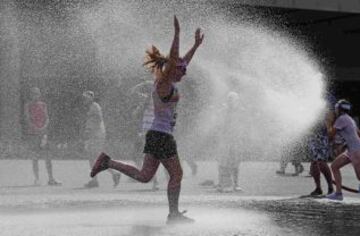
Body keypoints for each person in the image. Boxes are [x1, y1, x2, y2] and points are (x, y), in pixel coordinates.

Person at [90, 16, 204, 224]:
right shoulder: (164, 83)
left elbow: (182, 61)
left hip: (156, 134)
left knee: (144, 176)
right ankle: (173, 215)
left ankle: (107, 161)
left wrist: (195, 46)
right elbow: (176, 59)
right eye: (182, 70)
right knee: (176, 175)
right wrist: (177, 35)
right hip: (161, 136)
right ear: (171, 68)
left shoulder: (168, 81)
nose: (185, 72)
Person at [82, 90, 121, 188]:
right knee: (93, 157)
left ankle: (113, 174)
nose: (84, 100)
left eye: (86, 98)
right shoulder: (92, 107)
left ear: (91, 97)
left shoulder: (95, 106)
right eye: (84, 98)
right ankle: (98, 179)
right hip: (95, 135)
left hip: (96, 135)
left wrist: (91, 131)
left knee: (95, 157)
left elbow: (98, 119)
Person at [24, 87, 61, 186]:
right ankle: (37, 179)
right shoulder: (28, 105)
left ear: (39, 94)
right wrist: (36, 128)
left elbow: (47, 117)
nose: (35, 95)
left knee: (48, 156)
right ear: (30, 95)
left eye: (37, 93)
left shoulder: (43, 105)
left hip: (43, 133)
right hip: (33, 133)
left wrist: (43, 128)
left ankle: (51, 178)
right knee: (35, 157)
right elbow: (27, 119)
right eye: (33, 94)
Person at [326, 99, 360, 200]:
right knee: (334, 166)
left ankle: (338, 194)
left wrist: (328, 122)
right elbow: (358, 133)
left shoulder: (341, 119)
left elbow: (331, 135)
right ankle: (338, 194)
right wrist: (346, 145)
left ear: (339, 109)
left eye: (336, 108)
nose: (335, 110)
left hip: (355, 150)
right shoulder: (349, 119)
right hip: (352, 150)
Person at [217, 91, 242, 192]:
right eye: (230, 99)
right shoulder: (224, 110)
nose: (233, 102)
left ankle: (236, 184)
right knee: (223, 162)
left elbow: (241, 126)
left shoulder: (239, 111)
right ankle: (221, 184)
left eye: (235, 99)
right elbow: (220, 125)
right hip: (225, 140)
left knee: (235, 162)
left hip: (235, 140)